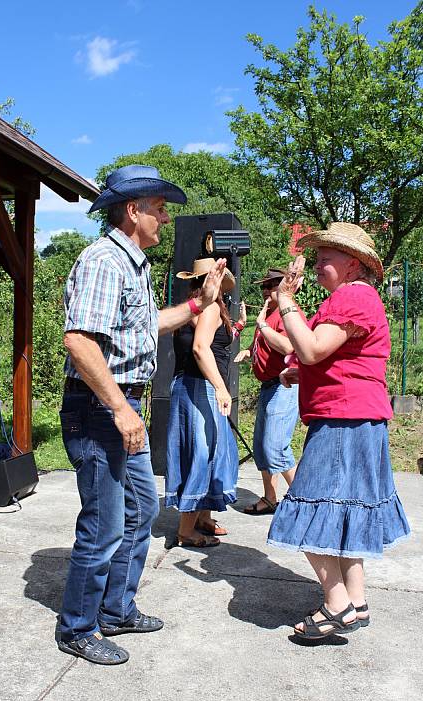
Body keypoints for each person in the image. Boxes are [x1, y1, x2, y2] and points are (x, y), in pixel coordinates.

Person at [59, 165, 227, 665]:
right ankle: (77, 627)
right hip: (101, 410)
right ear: (133, 210)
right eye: (159, 207)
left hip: (120, 406)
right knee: (105, 523)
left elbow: (147, 324)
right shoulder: (104, 261)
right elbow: (79, 341)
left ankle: (116, 608)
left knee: (142, 513)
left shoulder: (134, 266)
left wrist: (201, 302)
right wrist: (118, 408)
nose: (166, 217)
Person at [267, 222, 410, 641]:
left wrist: (285, 299)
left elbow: (310, 347)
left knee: (308, 508)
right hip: (357, 417)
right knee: (346, 509)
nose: (316, 267)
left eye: (325, 259)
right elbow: (325, 356)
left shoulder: (353, 296)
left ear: (353, 264)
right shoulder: (357, 297)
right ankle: (356, 599)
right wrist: (301, 374)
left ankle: (336, 602)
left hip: (344, 420)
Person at [164, 259, 241, 547]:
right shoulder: (207, 307)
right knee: (203, 453)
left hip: (191, 385)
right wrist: (221, 388)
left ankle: (203, 517)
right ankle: (186, 531)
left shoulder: (195, 308)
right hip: (199, 386)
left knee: (212, 451)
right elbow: (200, 348)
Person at [234, 268, 304, 515]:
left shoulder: (288, 314)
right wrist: (249, 352)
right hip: (269, 386)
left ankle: (303, 501)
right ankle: (270, 498)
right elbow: (262, 344)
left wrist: (262, 325)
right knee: (263, 448)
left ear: (283, 287)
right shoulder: (270, 313)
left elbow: (287, 346)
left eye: (271, 285)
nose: (265, 290)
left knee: (275, 447)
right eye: (263, 286)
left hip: (284, 387)